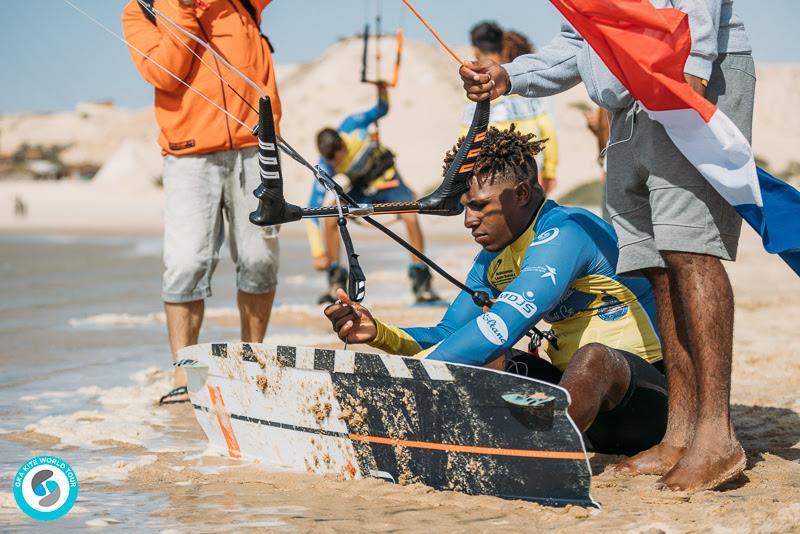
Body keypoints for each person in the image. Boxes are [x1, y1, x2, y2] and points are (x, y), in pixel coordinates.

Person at [458, 1, 754, 491]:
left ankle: (716, 436)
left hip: (682, 77)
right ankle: (680, 433)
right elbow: (576, 43)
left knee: (689, 250)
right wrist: (509, 76)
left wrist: (695, 64)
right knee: (654, 263)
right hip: (623, 101)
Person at [324, 127, 667, 457]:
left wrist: (398, 381)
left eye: (479, 206)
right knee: (488, 359)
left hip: (646, 404)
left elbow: (500, 327)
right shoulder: (494, 258)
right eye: (464, 206)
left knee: (593, 358)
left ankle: (535, 452)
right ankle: (500, 440)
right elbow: (449, 335)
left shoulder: (567, 231)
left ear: (519, 195)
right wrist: (379, 333)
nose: (468, 220)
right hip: (579, 410)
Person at [122, 0, 281, 404]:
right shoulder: (139, 13)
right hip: (187, 156)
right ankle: (186, 375)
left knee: (259, 260)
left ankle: (252, 361)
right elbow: (165, 73)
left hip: (255, 146)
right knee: (187, 262)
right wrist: (184, 8)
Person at [309, 83, 440, 305]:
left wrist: (382, 90)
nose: (336, 163)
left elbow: (381, 109)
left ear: (342, 144)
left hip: (390, 182)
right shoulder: (325, 166)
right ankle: (335, 280)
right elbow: (313, 207)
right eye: (332, 161)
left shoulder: (352, 125)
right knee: (331, 214)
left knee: (410, 216)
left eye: (338, 157)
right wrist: (318, 252)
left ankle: (421, 280)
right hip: (363, 190)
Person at [462, 22, 559, 195]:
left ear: (475, 49)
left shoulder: (476, 87)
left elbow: (467, 134)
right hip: (527, 165)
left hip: (487, 172)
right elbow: (546, 126)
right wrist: (550, 170)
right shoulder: (520, 80)